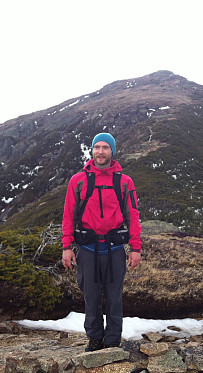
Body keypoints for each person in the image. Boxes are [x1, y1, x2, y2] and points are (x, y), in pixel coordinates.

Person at [62, 132, 141, 351]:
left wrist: (136, 248)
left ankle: (113, 342)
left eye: (106, 147)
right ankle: (95, 340)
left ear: (112, 152)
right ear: (92, 151)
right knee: (91, 298)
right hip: (87, 249)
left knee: (114, 300)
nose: (101, 151)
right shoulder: (78, 181)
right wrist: (66, 247)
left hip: (115, 250)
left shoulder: (124, 182)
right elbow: (68, 215)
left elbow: (133, 215)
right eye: (97, 147)